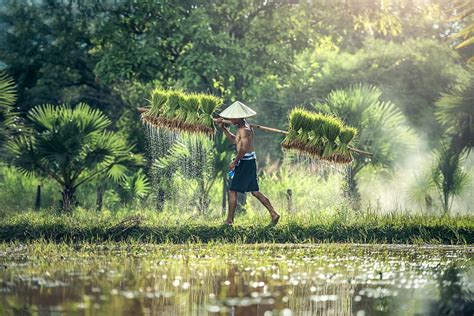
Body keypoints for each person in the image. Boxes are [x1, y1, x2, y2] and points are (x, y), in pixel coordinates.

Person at [215, 101, 281, 226]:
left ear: (238, 117)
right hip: (249, 162)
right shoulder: (243, 128)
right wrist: (223, 128)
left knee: (233, 190)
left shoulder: (245, 130)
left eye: (231, 117)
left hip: (245, 162)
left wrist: (235, 162)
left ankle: (229, 220)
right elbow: (235, 140)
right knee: (254, 191)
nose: (229, 119)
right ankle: (274, 213)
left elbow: (243, 149)